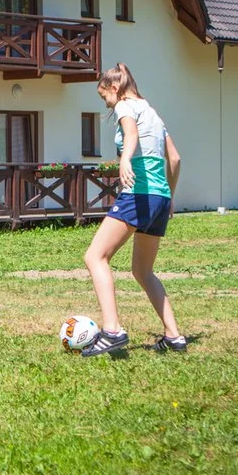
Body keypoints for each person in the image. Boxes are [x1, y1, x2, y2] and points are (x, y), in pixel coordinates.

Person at [81, 63, 185, 356]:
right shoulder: (153, 112)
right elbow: (175, 159)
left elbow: (130, 135)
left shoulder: (126, 106)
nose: (107, 103)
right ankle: (174, 336)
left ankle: (112, 330)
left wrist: (125, 159)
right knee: (142, 270)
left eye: (105, 98)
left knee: (95, 256)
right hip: (160, 198)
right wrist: (170, 196)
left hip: (139, 194)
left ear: (115, 88)